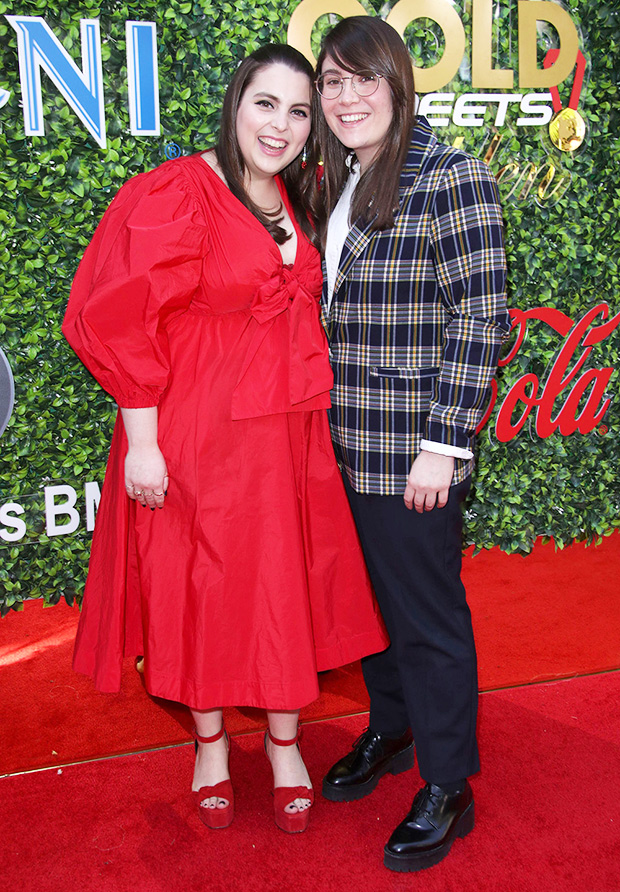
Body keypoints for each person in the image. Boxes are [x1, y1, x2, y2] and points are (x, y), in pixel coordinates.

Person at [62, 43, 388, 835]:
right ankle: (209, 744)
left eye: (299, 111)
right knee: (198, 587)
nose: (280, 125)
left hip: (285, 436)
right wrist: (143, 444)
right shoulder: (178, 191)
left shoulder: (302, 195)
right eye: (265, 104)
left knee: (282, 586)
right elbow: (118, 319)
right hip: (195, 430)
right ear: (236, 101)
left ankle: (284, 745)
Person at [314, 17, 510, 870]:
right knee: (374, 615)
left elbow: (480, 316)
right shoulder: (339, 181)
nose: (346, 97)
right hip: (343, 442)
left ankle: (448, 783)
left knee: (427, 620)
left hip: (413, 450)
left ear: (399, 84)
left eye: (364, 79)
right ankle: (392, 729)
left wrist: (445, 442)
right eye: (332, 81)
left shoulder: (450, 175)